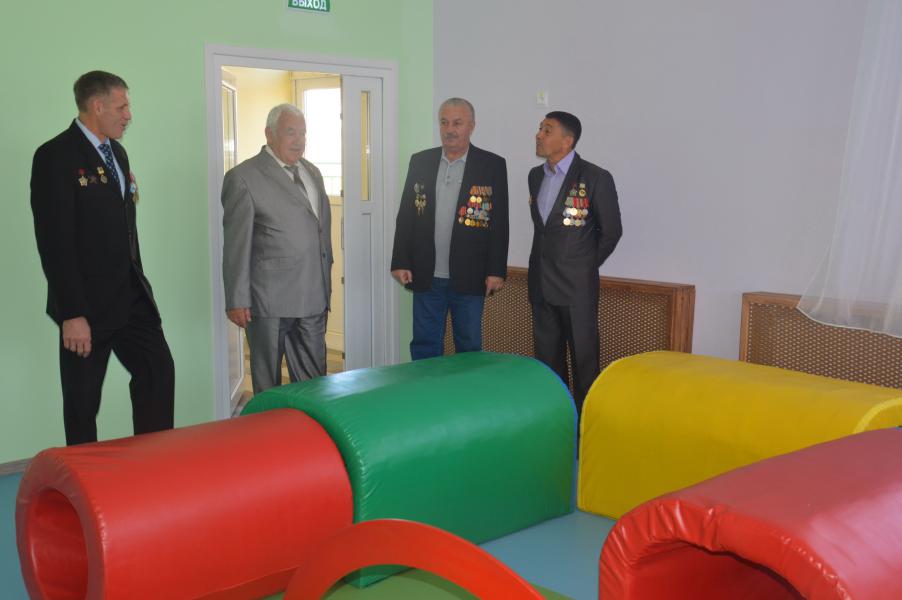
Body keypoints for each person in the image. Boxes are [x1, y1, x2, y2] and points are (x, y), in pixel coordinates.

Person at [30, 70, 175, 445]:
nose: (128, 115)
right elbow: (54, 242)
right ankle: (82, 475)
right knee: (82, 402)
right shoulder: (55, 156)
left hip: (130, 296)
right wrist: (72, 313)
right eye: (122, 107)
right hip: (86, 306)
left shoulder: (117, 153)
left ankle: (155, 461)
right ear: (97, 106)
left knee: (158, 371)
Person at [222, 103, 332, 394]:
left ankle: (308, 424)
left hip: (313, 295)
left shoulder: (313, 172)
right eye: (290, 132)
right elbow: (236, 244)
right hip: (268, 301)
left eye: (303, 133)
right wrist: (237, 299)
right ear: (269, 134)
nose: (299, 140)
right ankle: (268, 425)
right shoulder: (243, 177)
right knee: (268, 384)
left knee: (313, 384)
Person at [390, 98, 509, 360]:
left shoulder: (491, 165)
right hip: (426, 273)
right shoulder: (421, 161)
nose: (449, 130)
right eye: (444, 123)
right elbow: (406, 215)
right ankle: (426, 387)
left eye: (457, 123)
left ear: (471, 126)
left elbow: (500, 222)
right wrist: (400, 261)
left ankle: (466, 388)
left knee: (468, 345)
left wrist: (496, 270)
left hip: (470, 275)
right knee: (424, 344)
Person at [528, 111, 622, 414]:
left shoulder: (595, 177)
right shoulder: (535, 176)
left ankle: (586, 427)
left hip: (576, 289)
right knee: (547, 365)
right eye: (540, 129)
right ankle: (555, 423)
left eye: (547, 130)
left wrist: (583, 266)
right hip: (541, 284)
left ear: (567, 141)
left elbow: (611, 232)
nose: (539, 135)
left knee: (584, 364)